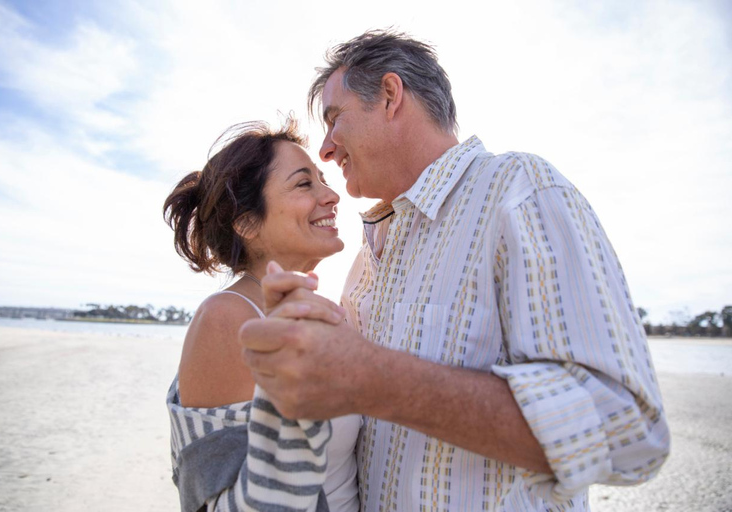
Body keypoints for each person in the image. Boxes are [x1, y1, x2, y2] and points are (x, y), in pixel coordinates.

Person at [239, 30, 671, 511]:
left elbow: (628, 429)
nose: (326, 148)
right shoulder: (363, 264)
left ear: (389, 95)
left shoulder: (519, 193)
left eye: (335, 119)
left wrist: (370, 377)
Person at [163, 118, 361, 512]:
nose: (331, 195)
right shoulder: (229, 318)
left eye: (323, 179)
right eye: (305, 184)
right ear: (247, 223)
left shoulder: (325, 310)